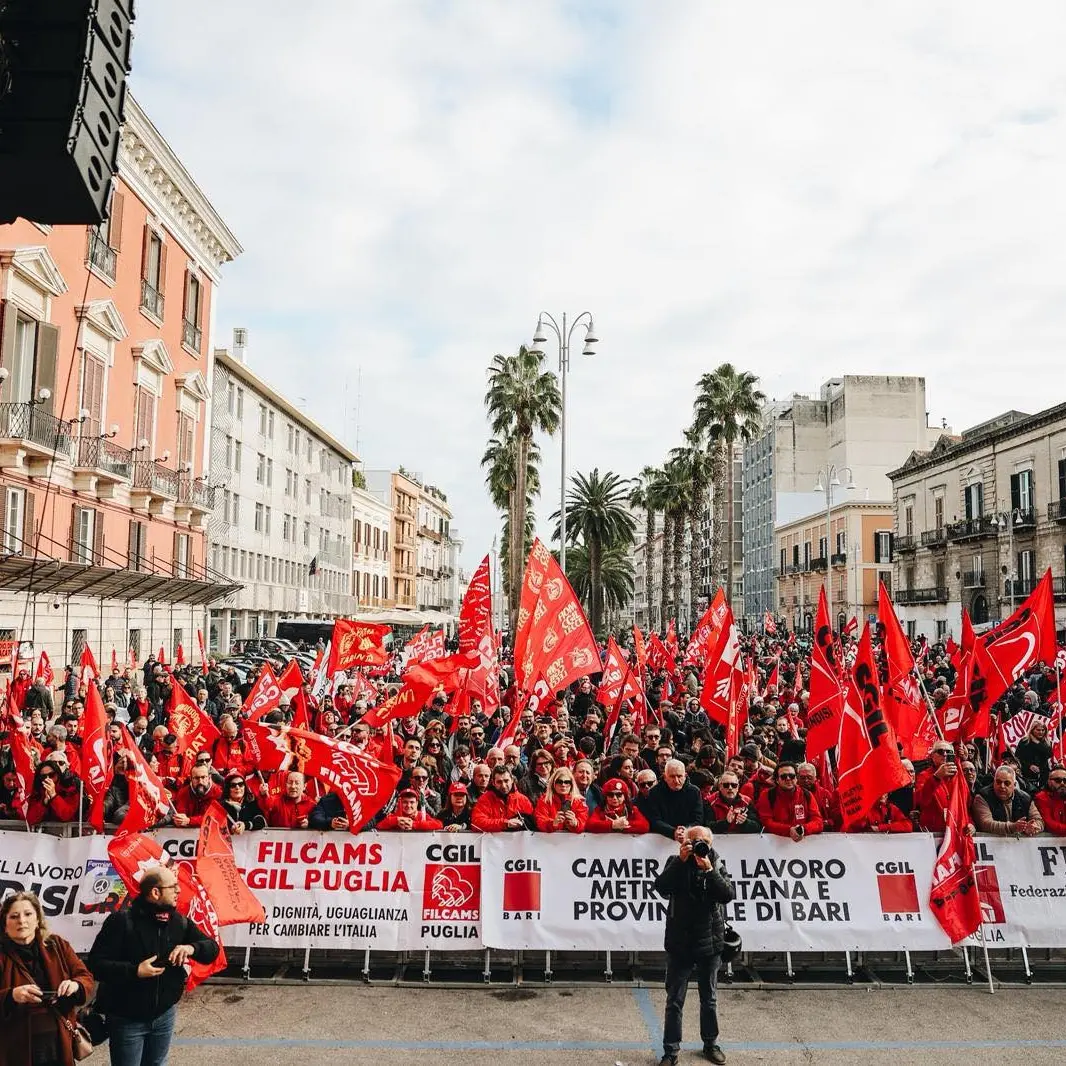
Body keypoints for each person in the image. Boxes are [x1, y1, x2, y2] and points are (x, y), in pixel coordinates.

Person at [87, 867, 219, 1066]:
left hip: (164, 1015)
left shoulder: (178, 922)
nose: (178, 890)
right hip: (126, 1018)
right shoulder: (121, 921)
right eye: (173, 886)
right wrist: (135, 971)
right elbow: (96, 965)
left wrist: (192, 948)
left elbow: (212, 949)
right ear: (155, 892)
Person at [653, 826, 735, 1066]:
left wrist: (709, 870)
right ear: (685, 842)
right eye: (694, 841)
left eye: (703, 843)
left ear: (710, 844)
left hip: (710, 942)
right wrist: (681, 860)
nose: (699, 846)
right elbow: (661, 887)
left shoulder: (716, 863)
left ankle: (710, 1044)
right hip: (680, 942)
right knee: (674, 1000)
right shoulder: (675, 861)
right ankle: (670, 1051)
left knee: (709, 998)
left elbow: (727, 894)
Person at [1, 890, 94, 1066]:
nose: (22, 920)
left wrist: (75, 985)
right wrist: (11, 996)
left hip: (58, 1042)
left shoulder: (57, 945)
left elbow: (85, 977)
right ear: (5, 924)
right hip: (14, 1048)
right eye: (14, 916)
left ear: (37, 920)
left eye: (28, 914)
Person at [637, 759, 704, 841]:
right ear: (665, 777)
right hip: (661, 840)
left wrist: (686, 830)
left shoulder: (694, 792)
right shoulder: (654, 792)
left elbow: (698, 819)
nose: (676, 781)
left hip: (688, 837)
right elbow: (654, 820)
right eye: (672, 776)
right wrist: (672, 832)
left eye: (679, 776)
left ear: (685, 776)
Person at [971, 765, 1044, 836]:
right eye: (998, 782)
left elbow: (1039, 820)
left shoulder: (1025, 798)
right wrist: (1012, 827)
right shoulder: (982, 797)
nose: (1002, 786)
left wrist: (1033, 827)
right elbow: (985, 824)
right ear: (993, 782)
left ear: (1014, 785)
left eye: (1007, 783)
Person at [533, 767, 589, 833]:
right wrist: (553, 823)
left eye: (567, 782)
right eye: (559, 782)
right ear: (553, 784)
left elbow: (585, 823)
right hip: (549, 841)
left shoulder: (579, 801)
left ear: (571, 785)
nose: (563, 785)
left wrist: (576, 823)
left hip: (573, 841)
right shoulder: (544, 800)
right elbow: (540, 821)